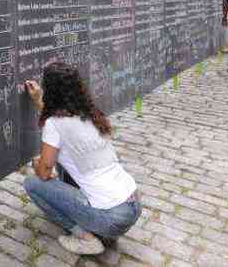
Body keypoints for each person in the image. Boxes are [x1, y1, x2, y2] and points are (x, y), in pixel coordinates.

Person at [24, 62, 141, 256]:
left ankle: (86, 238)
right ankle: (100, 228)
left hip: (111, 217)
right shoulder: (91, 115)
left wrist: (38, 164)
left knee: (32, 184)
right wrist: (38, 101)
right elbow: (61, 122)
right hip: (133, 204)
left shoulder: (55, 125)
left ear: (50, 91)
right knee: (65, 169)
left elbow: (44, 173)